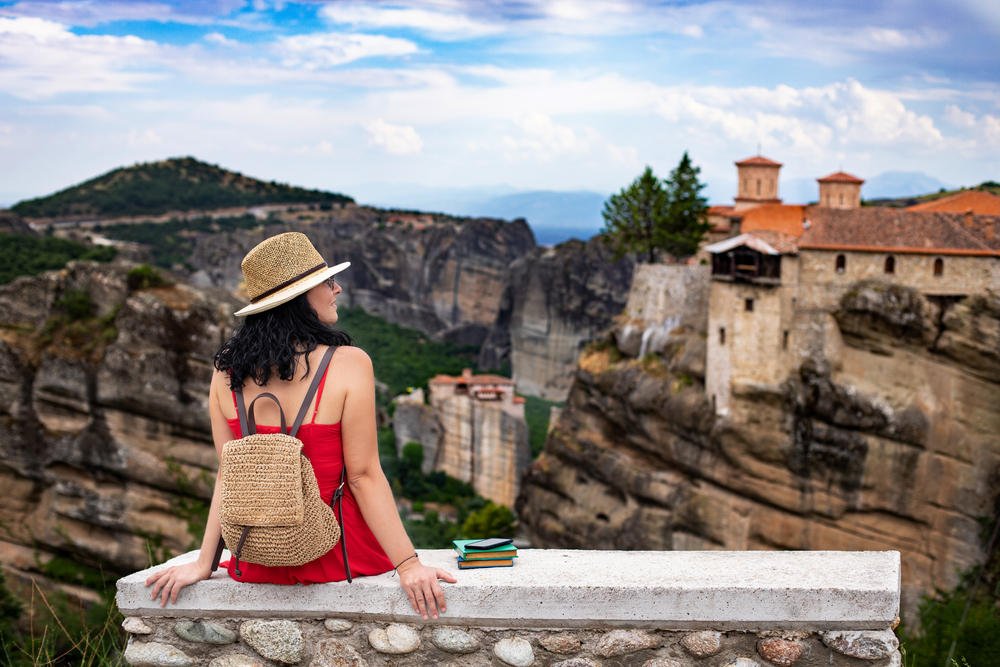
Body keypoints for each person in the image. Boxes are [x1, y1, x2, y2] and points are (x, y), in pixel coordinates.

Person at [145, 232, 456, 619]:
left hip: (257, 558)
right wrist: (409, 565)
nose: (337, 288)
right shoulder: (349, 363)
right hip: (338, 553)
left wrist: (204, 563)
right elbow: (362, 476)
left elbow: (229, 475)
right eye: (327, 282)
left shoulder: (226, 371)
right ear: (300, 298)